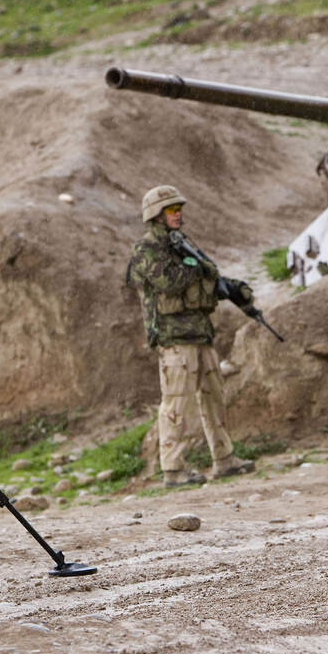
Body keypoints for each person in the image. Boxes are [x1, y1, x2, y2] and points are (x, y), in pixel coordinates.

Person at [126, 185, 255, 487]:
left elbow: (206, 279)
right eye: (172, 210)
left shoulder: (182, 245)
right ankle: (173, 469)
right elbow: (169, 282)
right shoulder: (145, 249)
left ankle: (224, 458)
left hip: (200, 333)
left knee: (214, 398)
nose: (178, 214)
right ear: (156, 215)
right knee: (177, 404)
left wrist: (233, 288)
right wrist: (198, 267)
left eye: (179, 209)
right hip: (173, 338)